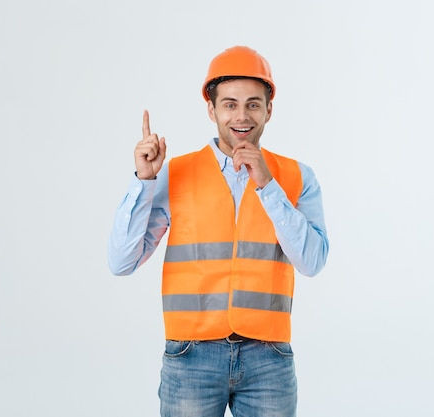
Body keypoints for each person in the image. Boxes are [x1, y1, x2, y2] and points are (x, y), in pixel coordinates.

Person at [108, 45, 329, 417]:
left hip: (269, 359)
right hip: (190, 355)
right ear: (211, 109)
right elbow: (121, 261)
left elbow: (312, 262)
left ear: (269, 110)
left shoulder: (296, 177)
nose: (241, 116)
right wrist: (144, 182)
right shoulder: (173, 173)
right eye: (229, 104)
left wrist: (268, 188)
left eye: (253, 104)